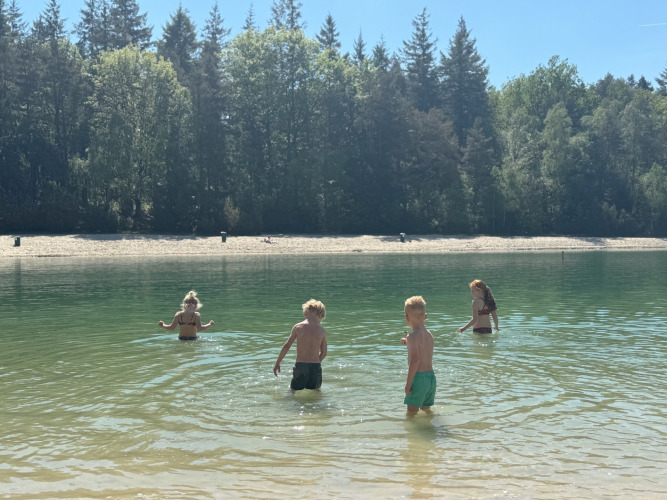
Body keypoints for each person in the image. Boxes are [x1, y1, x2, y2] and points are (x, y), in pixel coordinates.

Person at [273, 299, 328, 390]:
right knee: (315, 392)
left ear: (307, 312)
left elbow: (286, 346)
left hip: (301, 366)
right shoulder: (322, 331)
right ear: (321, 315)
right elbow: (324, 353)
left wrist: (277, 363)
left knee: (293, 392)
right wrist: (315, 363)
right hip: (315, 367)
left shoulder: (298, 327)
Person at [401, 296, 436, 415]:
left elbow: (415, 361)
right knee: (426, 411)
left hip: (418, 379)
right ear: (425, 316)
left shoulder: (412, 337)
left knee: (411, 414)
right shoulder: (429, 334)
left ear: (406, 317)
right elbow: (424, 349)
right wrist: (409, 343)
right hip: (431, 378)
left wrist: (408, 384)